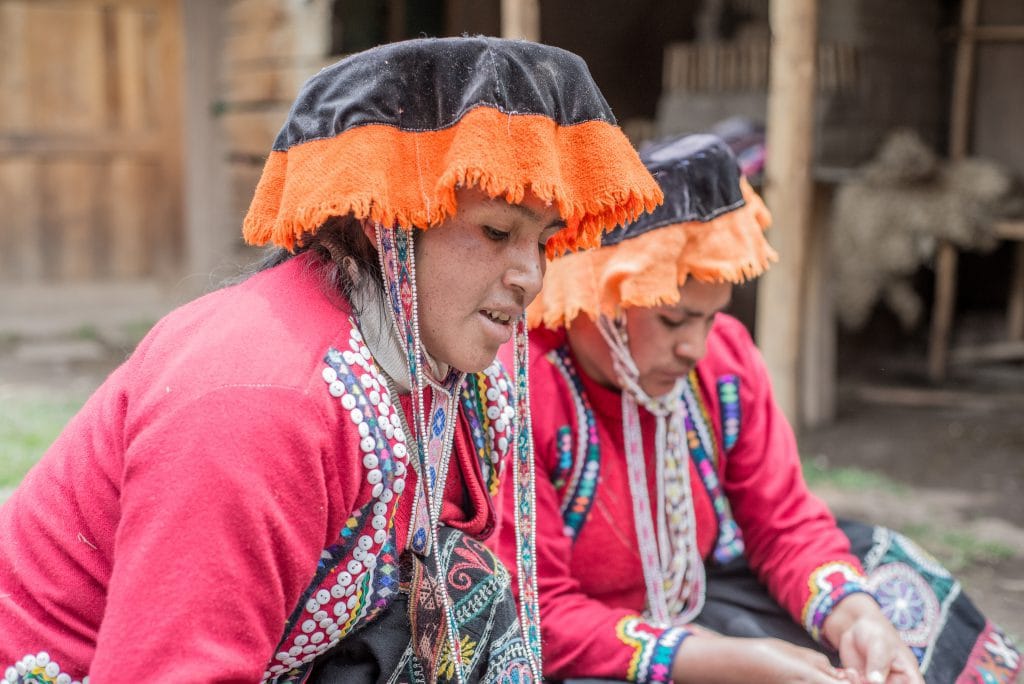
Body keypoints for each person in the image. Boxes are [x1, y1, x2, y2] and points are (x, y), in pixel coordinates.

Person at [0, 37, 663, 683]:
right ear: (386, 220)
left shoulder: (447, 376)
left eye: (543, 241)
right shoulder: (258, 398)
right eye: (497, 231)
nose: (530, 276)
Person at [489, 133, 1022, 684]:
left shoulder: (725, 361)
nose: (695, 347)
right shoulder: (520, 388)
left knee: (888, 582)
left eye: (711, 317)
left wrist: (857, 618)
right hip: (584, 645)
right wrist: (721, 661)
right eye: (673, 320)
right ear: (603, 295)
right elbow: (538, 613)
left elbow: (783, 523)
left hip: (699, 595)